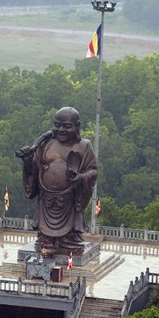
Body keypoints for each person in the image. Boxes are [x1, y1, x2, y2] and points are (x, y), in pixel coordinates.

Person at [16, 107, 97, 257]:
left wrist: (81, 178)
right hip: (46, 198)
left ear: (77, 126)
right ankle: (46, 240)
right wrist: (28, 161)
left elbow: (93, 171)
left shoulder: (84, 145)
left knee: (70, 239)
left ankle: (67, 241)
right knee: (45, 236)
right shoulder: (46, 143)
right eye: (57, 125)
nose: (61, 130)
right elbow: (36, 166)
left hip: (69, 199)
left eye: (67, 126)